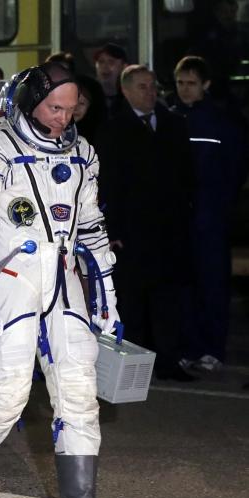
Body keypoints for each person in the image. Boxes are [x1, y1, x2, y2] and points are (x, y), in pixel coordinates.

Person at [0, 63, 131, 498]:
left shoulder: (83, 153)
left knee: (79, 393)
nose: (65, 118)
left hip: (63, 280)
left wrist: (106, 294)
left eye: (72, 108)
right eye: (55, 107)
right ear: (27, 103)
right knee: (7, 399)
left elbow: (89, 224)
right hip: (10, 281)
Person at [97, 64, 196, 381]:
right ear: (125, 91)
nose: (151, 93)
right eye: (142, 87)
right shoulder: (113, 130)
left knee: (167, 299)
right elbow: (109, 184)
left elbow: (186, 176)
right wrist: (114, 230)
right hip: (133, 231)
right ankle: (133, 369)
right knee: (134, 301)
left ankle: (168, 360)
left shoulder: (173, 124)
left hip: (169, 229)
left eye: (153, 86)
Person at [169, 56, 247, 371]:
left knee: (212, 285)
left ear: (206, 85)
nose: (185, 90)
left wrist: (219, 206)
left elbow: (235, 169)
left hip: (210, 217)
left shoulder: (221, 122)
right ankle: (190, 345)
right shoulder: (170, 118)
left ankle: (212, 348)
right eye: (180, 83)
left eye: (191, 83)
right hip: (180, 219)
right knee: (184, 286)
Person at [93, 43, 129, 118]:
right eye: (101, 62)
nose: (104, 66)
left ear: (123, 67)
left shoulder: (131, 97)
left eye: (111, 62)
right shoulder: (87, 96)